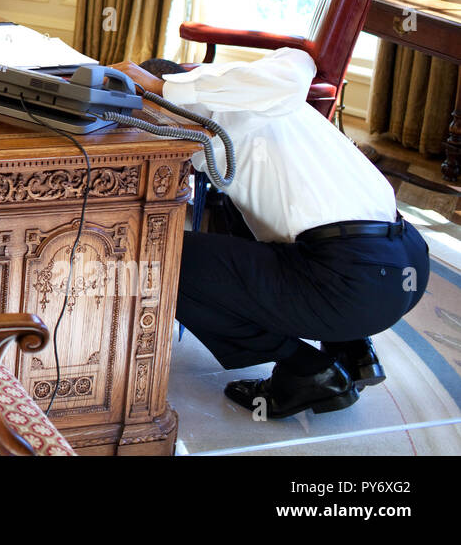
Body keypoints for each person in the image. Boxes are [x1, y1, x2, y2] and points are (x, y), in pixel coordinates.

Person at [113, 48, 430, 419]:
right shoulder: (256, 103)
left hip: (350, 283)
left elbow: (296, 65)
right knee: (233, 218)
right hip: (404, 265)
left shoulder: (244, 102)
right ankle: (353, 350)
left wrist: (158, 88)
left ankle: (306, 371)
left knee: (157, 263)